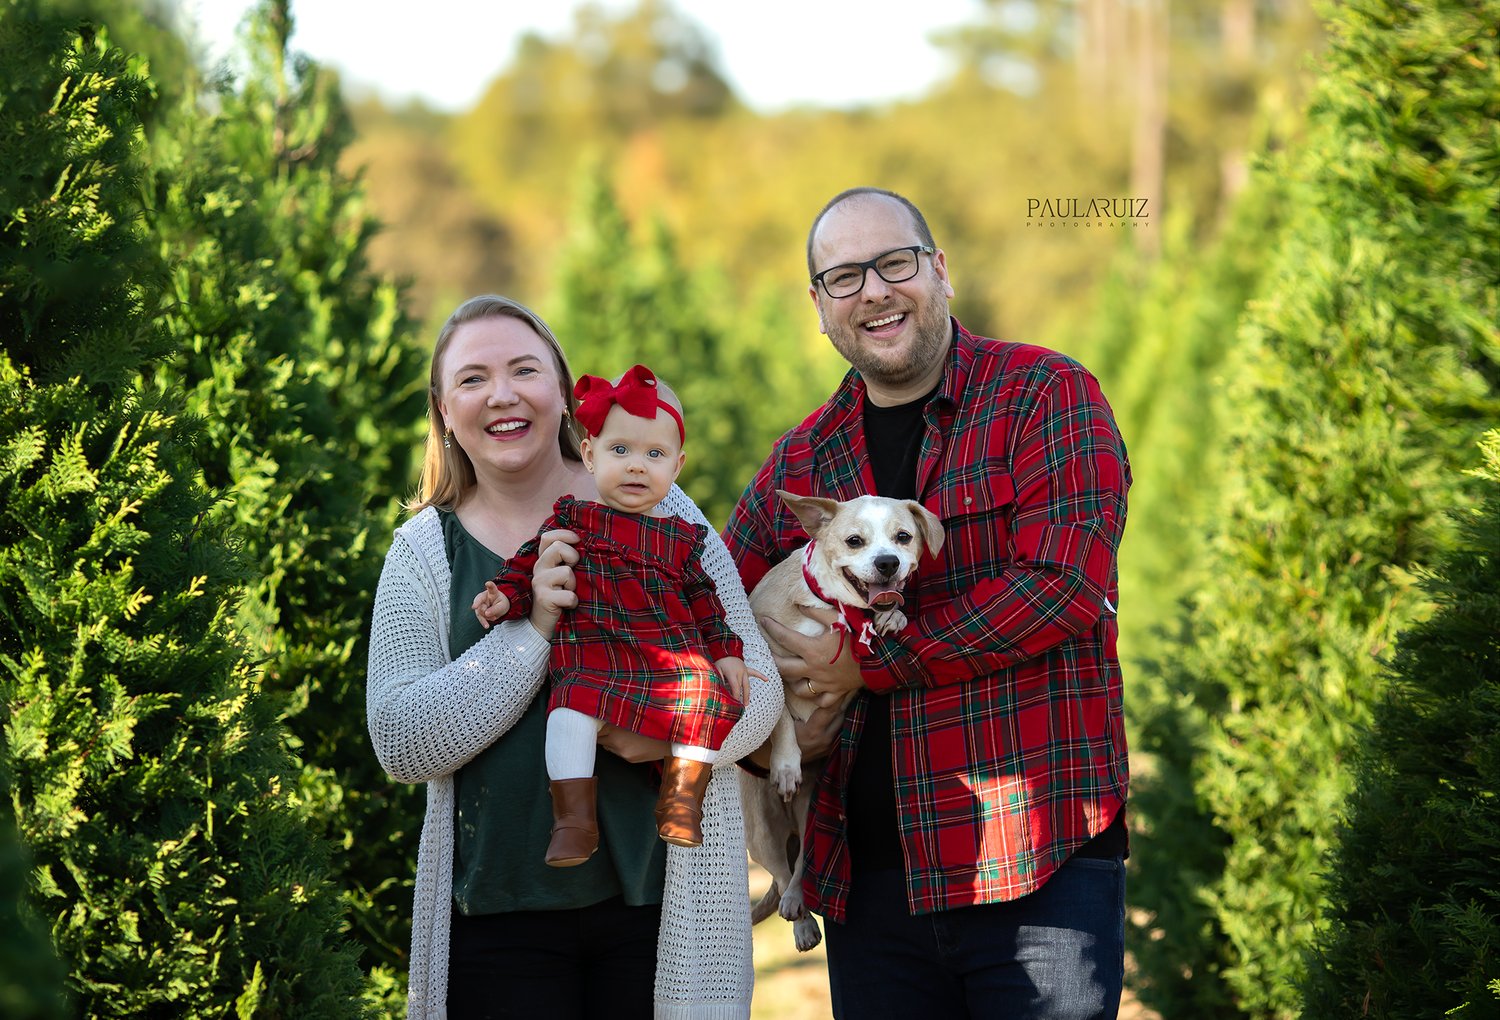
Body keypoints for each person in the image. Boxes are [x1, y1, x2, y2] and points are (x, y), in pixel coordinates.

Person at [724, 188, 1131, 1019]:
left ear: (939, 270)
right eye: (843, 276)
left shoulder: (1045, 395)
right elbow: (713, 601)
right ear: (819, 305)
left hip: (1037, 858)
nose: (872, 290)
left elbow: (1064, 586)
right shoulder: (802, 459)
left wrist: (866, 664)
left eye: (894, 263)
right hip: (870, 886)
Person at [366, 295, 782, 1020]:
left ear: (563, 392)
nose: (502, 394)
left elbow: (762, 690)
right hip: (498, 921)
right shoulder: (423, 553)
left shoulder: (662, 507)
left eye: (524, 369)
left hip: (658, 908)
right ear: (442, 409)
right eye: (472, 379)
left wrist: (665, 738)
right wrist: (531, 630)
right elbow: (401, 742)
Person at [471, 363, 750, 865]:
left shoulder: (683, 539)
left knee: (706, 697)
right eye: (620, 450)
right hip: (596, 655)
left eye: (655, 454)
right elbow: (526, 564)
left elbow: (709, 603)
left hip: (669, 657)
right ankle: (574, 820)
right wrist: (506, 598)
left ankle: (683, 801)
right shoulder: (574, 518)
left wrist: (727, 653)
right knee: (570, 710)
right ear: (590, 455)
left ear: (678, 466)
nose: (637, 466)